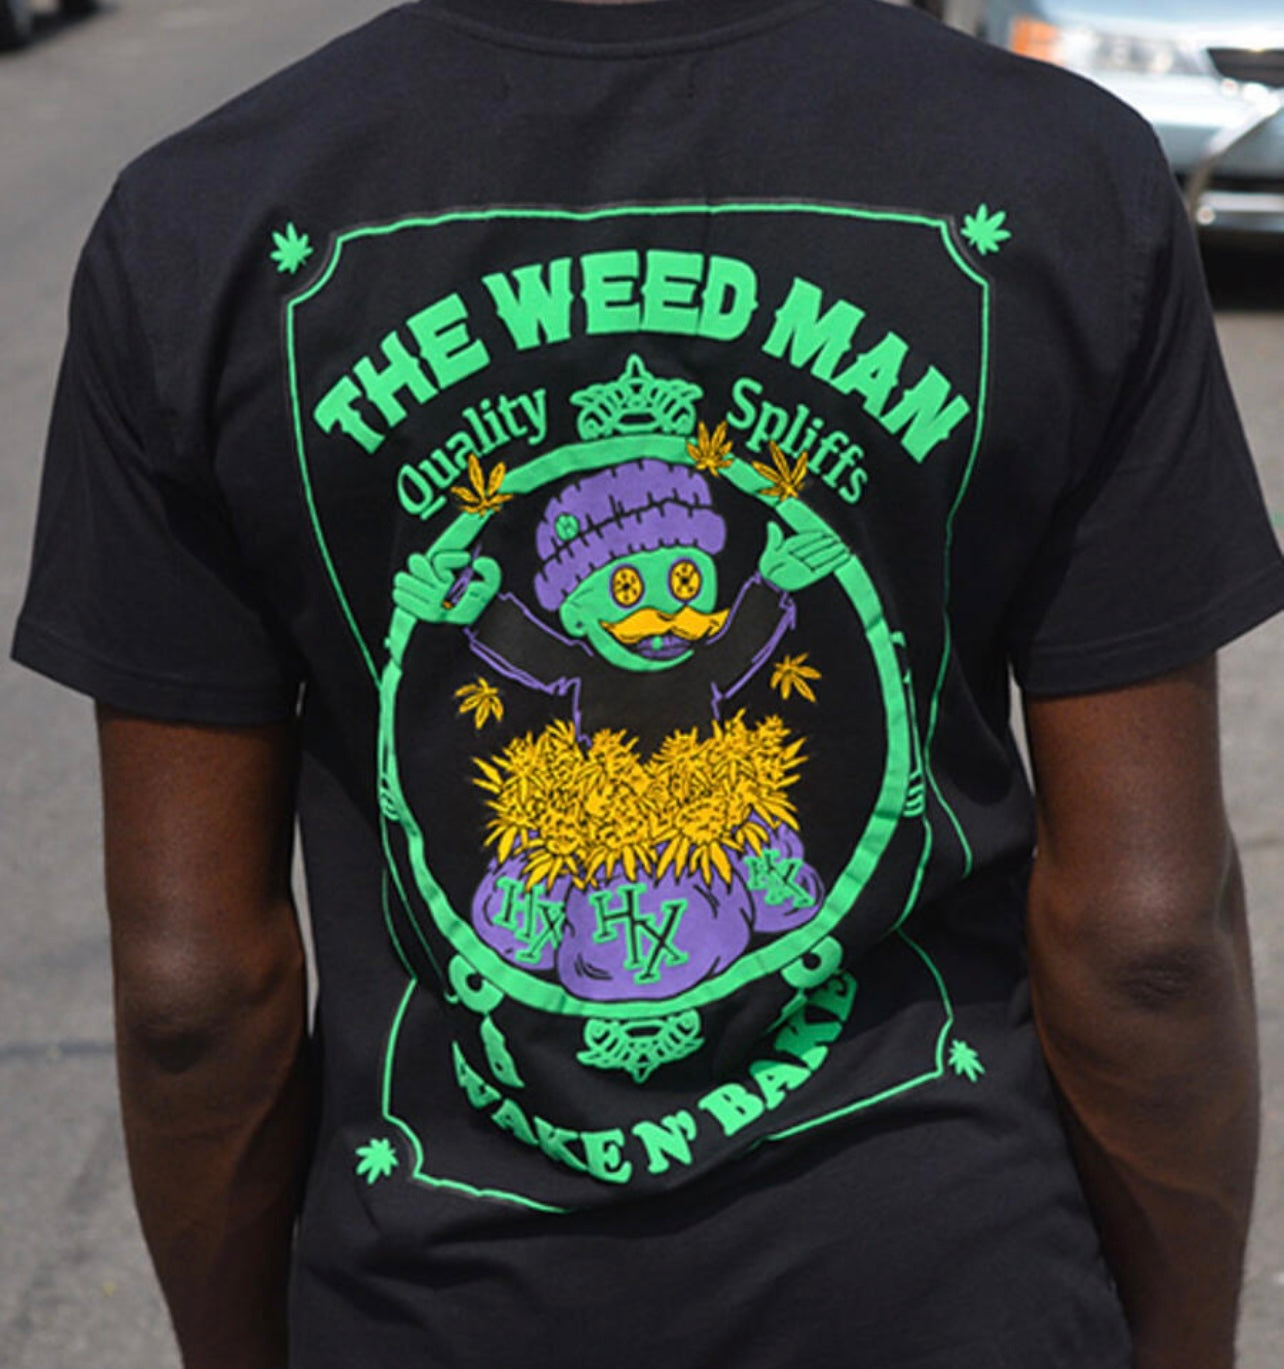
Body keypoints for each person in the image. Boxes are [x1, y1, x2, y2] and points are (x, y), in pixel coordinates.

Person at [12, 1, 1284, 1366]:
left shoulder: (202, 228)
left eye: (688, 582)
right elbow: (1149, 940)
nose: (671, 613)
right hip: (947, 1285)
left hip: (439, 1308)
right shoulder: (1060, 178)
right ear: (580, 599)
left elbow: (195, 996)